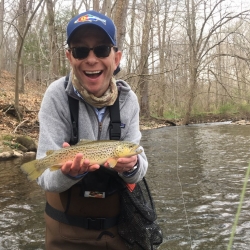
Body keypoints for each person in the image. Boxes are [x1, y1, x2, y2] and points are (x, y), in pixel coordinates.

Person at [36, 10, 148, 250]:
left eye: (101, 49)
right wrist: (68, 173)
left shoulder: (128, 101)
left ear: (116, 58)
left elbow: (139, 167)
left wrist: (133, 166)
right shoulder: (56, 96)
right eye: (80, 51)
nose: (91, 59)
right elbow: (44, 177)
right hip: (64, 234)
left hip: (118, 231)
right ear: (69, 57)